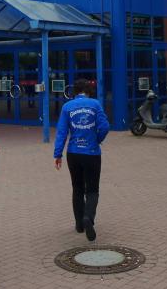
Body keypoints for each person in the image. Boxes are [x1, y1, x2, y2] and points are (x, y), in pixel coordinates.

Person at [53, 78, 110, 241]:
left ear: (75, 92)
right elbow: (105, 126)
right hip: (91, 153)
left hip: (73, 153)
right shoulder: (95, 104)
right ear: (88, 91)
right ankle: (88, 217)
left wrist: (58, 154)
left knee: (77, 188)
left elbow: (62, 132)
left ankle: (79, 224)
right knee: (92, 190)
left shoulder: (67, 107)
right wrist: (97, 139)